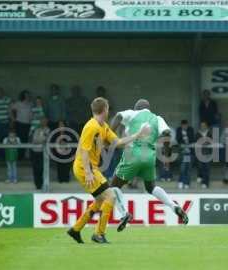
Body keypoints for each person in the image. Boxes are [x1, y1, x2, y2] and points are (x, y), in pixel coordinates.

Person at [67, 97, 151, 244]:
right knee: (110, 196)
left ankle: (75, 229)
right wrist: (87, 172)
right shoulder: (91, 126)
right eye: (108, 108)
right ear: (104, 109)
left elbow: (117, 142)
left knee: (100, 200)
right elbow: (85, 151)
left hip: (90, 168)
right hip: (84, 167)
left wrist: (137, 135)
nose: (108, 110)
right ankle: (99, 234)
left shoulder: (103, 126)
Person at [110, 98, 189, 231]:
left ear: (137, 108)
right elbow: (167, 133)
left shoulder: (132, 113)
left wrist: (110, 133)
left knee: (114, 186)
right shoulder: (157, 118)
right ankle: (173, 206)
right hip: (150, 156)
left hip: (133, 153)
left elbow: (118, 116)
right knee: (150, 187)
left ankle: (124, 214)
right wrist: (166, 154)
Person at [11, 90, 32, 159]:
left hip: (27, 124)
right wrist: (13, 119)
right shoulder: (18, 103)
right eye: (26, 95)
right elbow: (12, 110)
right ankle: (19, 156)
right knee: (19, 139)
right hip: (19, 123)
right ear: (23, 96)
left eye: (28, 95)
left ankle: (23, 155)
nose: (27, 96)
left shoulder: (30, 104)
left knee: (25, 139)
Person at [30, 117, 50, 190]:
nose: (43, 123)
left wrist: (40, 140)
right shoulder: (36, 129)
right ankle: (37, 185)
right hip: (35, 151)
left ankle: (43, 184)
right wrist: (40, 140)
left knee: (42, 169)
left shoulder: (48, 130)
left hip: (43, 153)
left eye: (44, 121)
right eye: (42, 121)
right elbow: (34, 140)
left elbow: (46, 139)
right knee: (35, 169)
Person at [176, 120, 195, 189]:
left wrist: (188, 145)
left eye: (186, 126)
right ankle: (181, 182)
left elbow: (192, 139)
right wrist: (183, 145)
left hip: (189, 152)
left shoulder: (190, 130)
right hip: (183, 153)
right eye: (183, 126)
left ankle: (187, 183)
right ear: (181, 125)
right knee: (183, 168)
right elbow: (178, 140)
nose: (184, 127)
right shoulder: (178, 130)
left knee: (188, 168)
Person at [195, 121, 213, 189]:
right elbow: (196, 142)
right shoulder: (197, 134)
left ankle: (205, 183)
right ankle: (200, 176)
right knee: (200, 167)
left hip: (208, 153)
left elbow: (212, 141)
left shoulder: (210, 133)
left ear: (206, 126)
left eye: (204, 125)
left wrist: (206, 144)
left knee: (207, 168)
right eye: (201, 125)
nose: (203, 127)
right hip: (200, 153)